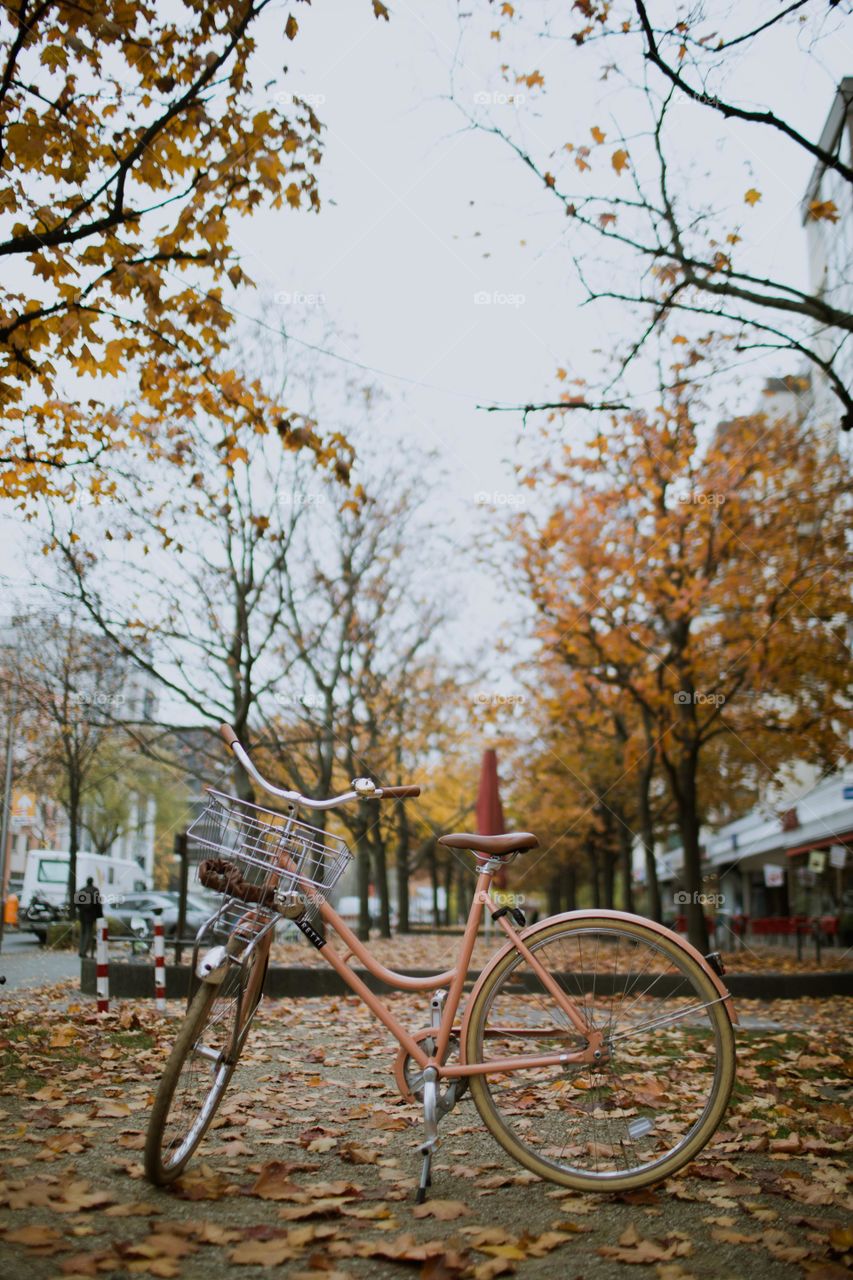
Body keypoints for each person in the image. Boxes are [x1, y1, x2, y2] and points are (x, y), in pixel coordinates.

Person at [76, 877, 103, 958]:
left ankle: (81, 950)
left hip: (82, 915)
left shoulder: (82, 890)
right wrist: (100, 916)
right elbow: (98, 904)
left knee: (83, 933)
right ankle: (84, 951)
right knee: (89, 933)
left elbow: (77, 903)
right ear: (92, 882)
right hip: (91, 915)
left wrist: (81, 909)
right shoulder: (95, 890)